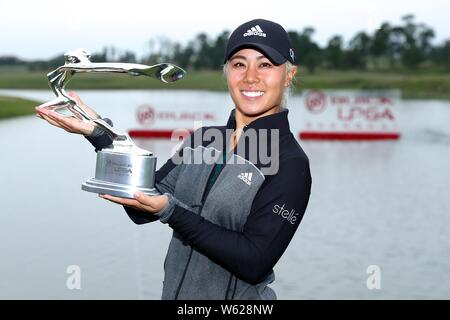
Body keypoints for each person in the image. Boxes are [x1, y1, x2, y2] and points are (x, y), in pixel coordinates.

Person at [36, 18, 312, 300]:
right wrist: (101, 134)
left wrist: (172, 211)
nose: (250, 76)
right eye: (239, 64)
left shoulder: (290, 162)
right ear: (227, 71)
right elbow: (142, 206)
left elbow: (254, 262)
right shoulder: (205, 139)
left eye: (265, 64)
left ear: (288, 75)